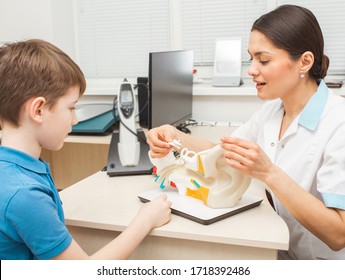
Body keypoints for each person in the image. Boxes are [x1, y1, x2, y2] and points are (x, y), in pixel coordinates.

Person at [146, 4, 345, 260]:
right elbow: (223, 152)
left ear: (304, 62)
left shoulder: (339, 122)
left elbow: (339, 234)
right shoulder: (272, 111)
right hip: (281, 249)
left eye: (263, 60)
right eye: (251, 58)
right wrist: (174, 137)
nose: (251, 69)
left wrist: (269, 173)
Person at [0, 39, 172, 260]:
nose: (75, 119)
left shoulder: (18, 169)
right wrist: (146, 220)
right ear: (38, 110)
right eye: (71, 108)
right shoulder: (24, 194)